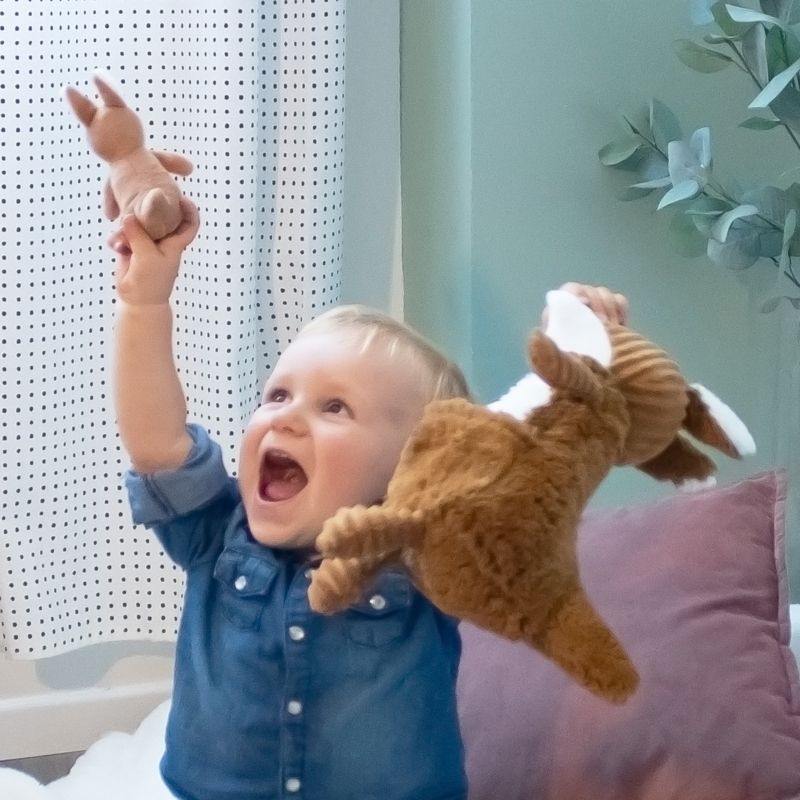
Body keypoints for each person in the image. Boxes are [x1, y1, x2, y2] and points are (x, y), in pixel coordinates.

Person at [110, 196, 628, 800]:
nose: (286, 418)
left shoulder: (425, 554)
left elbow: (522, 475)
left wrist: (574, 365)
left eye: (335, 408)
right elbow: (156, 442)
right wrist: (144, 303)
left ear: (411, 469)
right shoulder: (218, 534)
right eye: (278, 395)